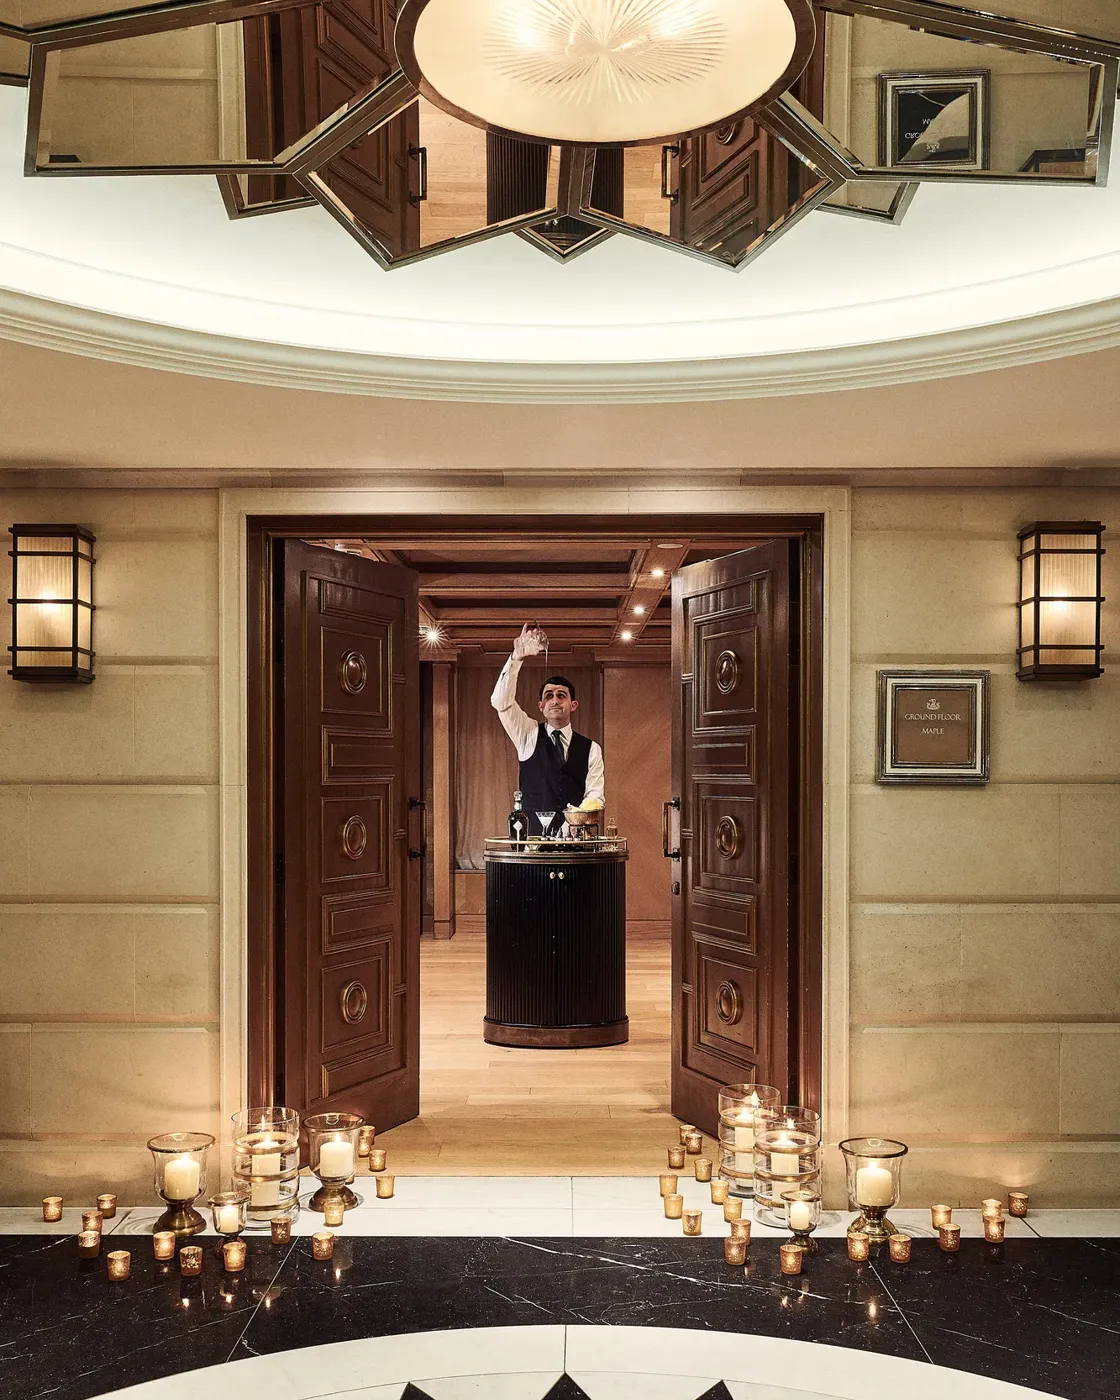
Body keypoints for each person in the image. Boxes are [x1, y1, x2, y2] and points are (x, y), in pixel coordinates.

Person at [490, 623, 605, 835]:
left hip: (575, 841)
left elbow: (595, 795)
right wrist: (516, 658)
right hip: (531, 841)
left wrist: (573, 822)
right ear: (541, 707)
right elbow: (500, 701)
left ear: (573, 705)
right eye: (548, 696)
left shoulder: (592, 749)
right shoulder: (527, 735)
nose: (555, 700)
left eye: (561, 695)